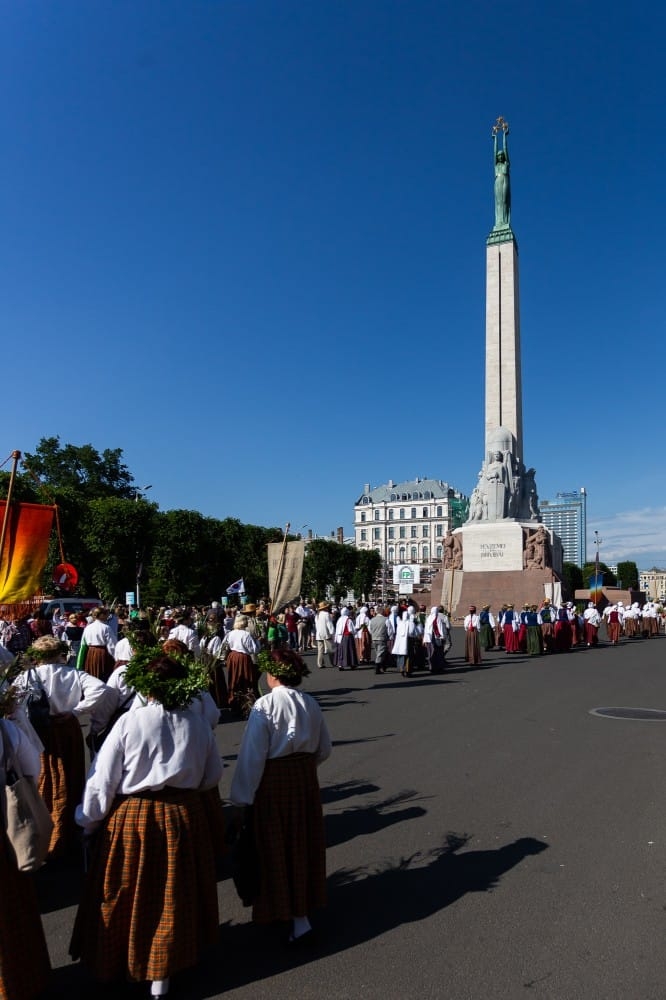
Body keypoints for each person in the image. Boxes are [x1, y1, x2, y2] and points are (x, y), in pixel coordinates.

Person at [69, 650, 224, 998]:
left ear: (147, 687)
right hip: (183, 814)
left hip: (134, 816)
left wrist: (88, 821)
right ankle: (163, 974)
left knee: (127, 889)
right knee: (174, 891)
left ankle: (127, 961)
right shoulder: (196, 723)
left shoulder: (130, 722)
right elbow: (212, 775)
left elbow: (102, 780)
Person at [230, 647, 331, 943]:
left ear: (272, 675)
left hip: (274, 781)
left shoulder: (265, 706)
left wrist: (240, 800)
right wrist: (304, 768)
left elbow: (252, 758)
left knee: (274, 843)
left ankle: (286, 911)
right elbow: (324, 748)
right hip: (304, 779)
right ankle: (302, 911)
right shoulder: (310, 703)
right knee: (301, 841)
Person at [13, 635, 116, 858]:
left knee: (42, 777)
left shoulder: (26, 676)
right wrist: (76, 711)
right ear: (58, 653)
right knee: (69, 776)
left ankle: (44, 830)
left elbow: (12, 703)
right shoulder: (73, 674)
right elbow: (102, 690)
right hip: (67, 728)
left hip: (38, 732)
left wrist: (23, 724)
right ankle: (68, 832)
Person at [0, 713, 52, 1000]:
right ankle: (20, 978)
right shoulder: (5, 728)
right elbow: (33, 768)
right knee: (11, 907)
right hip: (6, 829)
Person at [226, 614, 260, 716]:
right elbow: (253, 649)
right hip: (243, 658)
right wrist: (258, 641)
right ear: (243, 622)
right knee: (246, 679)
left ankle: (234, 701)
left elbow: (225, 644)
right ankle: (246, 703)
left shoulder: (230, 633)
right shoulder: (245, 634)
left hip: (232, 657)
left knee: (234, 679)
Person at [79, 607, 116, 681]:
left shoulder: (88, 627)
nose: (107, 617)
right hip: (102, 653)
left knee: (92, 673)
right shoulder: (106, 628)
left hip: (90, 653)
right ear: (101, 615)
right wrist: (116, 657)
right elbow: (112, 646)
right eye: (106, 615)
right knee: (103, 674)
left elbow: (83, 642)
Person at [423, 606, 450, 674]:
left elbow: (426, 630)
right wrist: (443, 637)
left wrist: (425, 639)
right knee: (438, 653)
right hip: (437, 638)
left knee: (431, 653)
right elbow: (440, 629)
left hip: (429, 638)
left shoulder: (428, 618)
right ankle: (439, 667)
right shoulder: (437, 618)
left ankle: (431, 667)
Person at [391, 610, 415, 677]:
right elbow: (411, 632)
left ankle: (401, 669)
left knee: (401, 655)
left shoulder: (400, 623)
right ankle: (407, 670)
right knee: (408, 656)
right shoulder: (411, 623)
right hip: (408, 641)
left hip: (400, 642)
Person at [368, 606, 390, 674]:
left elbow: (369, 629)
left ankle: (382, 666)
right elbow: (390, 630)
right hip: (382, 638)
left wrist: (373, 634)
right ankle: (377, 667)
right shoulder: (386, 619)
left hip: (374, 638)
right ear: (382, 611)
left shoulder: (372, 620)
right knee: (380, 653)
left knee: (378, 652)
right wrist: (389, 636)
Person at [314, 601, 335, 669]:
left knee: (320, 650)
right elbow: (329, 624)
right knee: (330, 649)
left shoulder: (317, 615)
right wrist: (333, 633)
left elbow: (317, 625)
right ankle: (333, 662)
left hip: (319, 633)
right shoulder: (326, 614)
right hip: (326, 633)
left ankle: (320, 663)